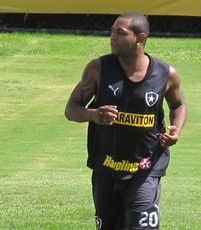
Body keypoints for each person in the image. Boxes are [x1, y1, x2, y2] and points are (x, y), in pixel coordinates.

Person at [65, 12, 188, 229]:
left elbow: (178, 105)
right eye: (112, 31)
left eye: (120, 33)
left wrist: (176, 129)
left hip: (146, 168)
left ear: (140, 38)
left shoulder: (166, 74)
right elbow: (71, 109)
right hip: (106, 167)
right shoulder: (99, 68)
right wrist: (93, 115)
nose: (112, 37)